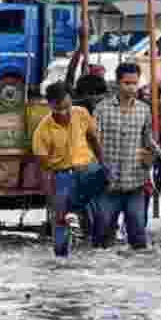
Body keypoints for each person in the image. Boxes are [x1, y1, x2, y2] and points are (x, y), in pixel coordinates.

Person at [32, 82, 107, 257]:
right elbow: (43, 169)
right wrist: (51, 199)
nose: (65, 112)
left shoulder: (81, 113)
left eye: (67, 107)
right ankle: (61, 260)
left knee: (101, 220)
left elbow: (94, 140)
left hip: (88, 171)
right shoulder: (42, 131)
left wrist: (103, 165)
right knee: (61, 225)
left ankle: (97, 257)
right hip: (63, 177)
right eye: (59, 109)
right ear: (50, 106)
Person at [93, 63, 155, 250]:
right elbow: (93, 141)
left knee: (138, 233)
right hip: (108, 183)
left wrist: (152, 159)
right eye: (127, 83)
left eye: (135, 83)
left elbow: (148, 141)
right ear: (117, 83)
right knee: (102, 234)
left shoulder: (144, 110)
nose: (131, 87)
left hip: (135, 181)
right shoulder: (102, 109)